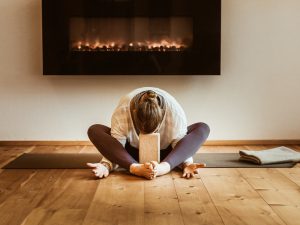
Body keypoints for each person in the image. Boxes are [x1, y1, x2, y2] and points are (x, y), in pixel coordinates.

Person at [86, 87, 210, 180]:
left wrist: (186, 163)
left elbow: (180, 145)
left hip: (166, 154)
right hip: (131, 154)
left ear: (162, 114)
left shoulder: (174, 112)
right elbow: (116, 145)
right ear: (133, 113)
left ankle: (162, 168)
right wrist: (106, 164)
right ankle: (136, 168)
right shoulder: (123, 110)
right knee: (94, 129)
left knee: (203, 128)